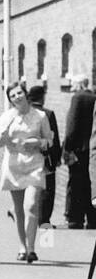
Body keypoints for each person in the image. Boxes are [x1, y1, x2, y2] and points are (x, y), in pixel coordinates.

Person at [0, 81, 53, 262]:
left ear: (25, 94)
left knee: (32, 205)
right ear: (10, 100)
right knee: (19, 209)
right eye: (12, 96)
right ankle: (22, 246)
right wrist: (5, 131)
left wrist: (37, 142)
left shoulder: (40, 116)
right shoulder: (7, 116)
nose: (17, 97)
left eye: (19, 93)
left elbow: (49, 140)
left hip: (34, 164)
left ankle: (32, 248)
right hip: (14, 165)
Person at [63, 75, 96, 229]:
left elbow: (72, 125)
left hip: (77, 148)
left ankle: (75, 218)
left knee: (75, 183)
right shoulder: (93, 97)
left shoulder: (78, 98)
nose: (71, 87)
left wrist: (67, 147)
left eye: (73, 84)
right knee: (89, 184)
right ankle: (92, 218)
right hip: (90, 148)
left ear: (80, 85)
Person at [27, 84, 60, 226]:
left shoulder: (24, 113)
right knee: (47, 190)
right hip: (44, 158)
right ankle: (44, 221)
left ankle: (30, 219)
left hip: (27, 158)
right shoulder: (48, 114)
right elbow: (54, 139)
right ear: (42, 97)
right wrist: (56, 159)